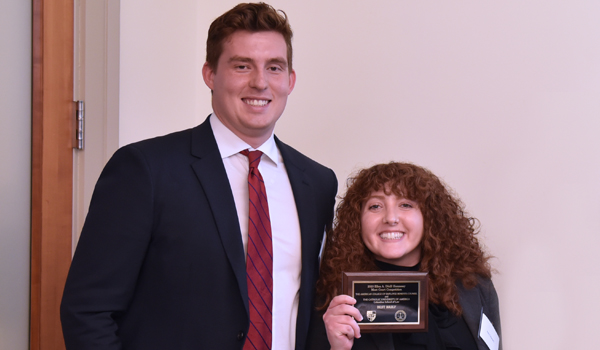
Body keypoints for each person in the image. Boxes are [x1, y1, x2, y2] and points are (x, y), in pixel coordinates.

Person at [60, 3, 337, 350]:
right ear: (210, 74)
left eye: (274, 67)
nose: (260, 82)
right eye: (241, 66)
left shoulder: (317, 183)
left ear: (290, 80)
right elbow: (87, 311)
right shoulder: (145, 170)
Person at [307, 162, 501, 350]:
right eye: (375, 206)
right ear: (357, 220)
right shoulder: (334, 295)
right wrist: (337, 348)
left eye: (406, 205)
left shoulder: (475, 288)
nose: (391, 218)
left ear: (430, 216)